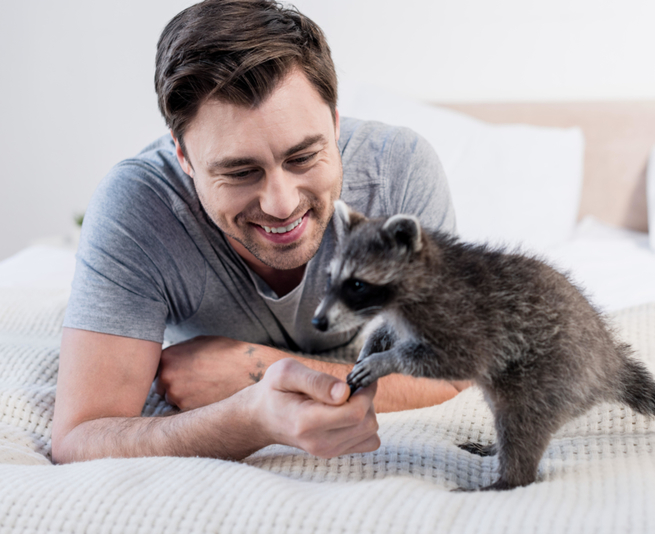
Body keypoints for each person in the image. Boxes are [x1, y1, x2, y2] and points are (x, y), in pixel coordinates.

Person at [51, 0, 464, 465]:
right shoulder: (138, 206)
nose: (282, 204)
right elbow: (80, 438)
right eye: (241, 172)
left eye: (303, 158)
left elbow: (452, 372)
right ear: (184, 158)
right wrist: (250, 418)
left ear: (334, 122)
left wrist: (260, 371)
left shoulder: (398, 171)